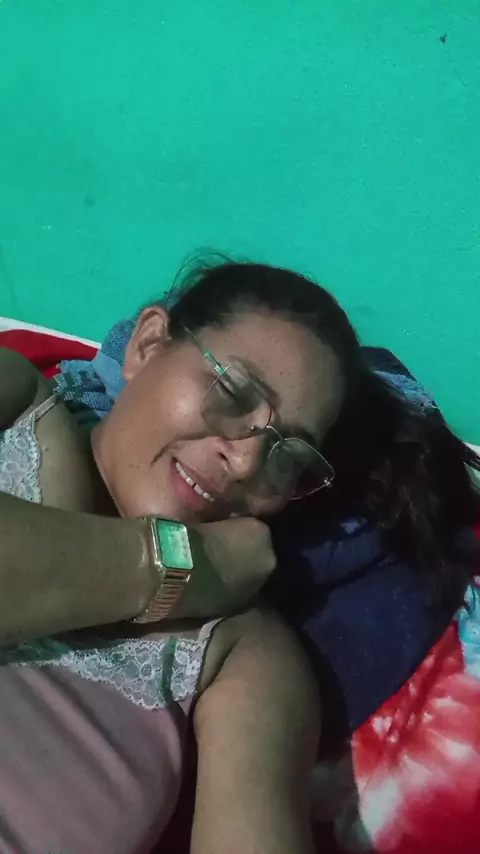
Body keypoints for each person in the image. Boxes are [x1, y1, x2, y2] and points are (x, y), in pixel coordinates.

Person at [0, 260, 478, 853]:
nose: (248, 463)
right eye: (231, 392)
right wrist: (183, 565)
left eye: (288, 455)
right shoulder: (17, 400)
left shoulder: (245, 655)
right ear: (148, 345)